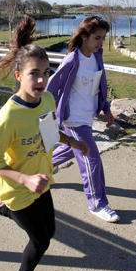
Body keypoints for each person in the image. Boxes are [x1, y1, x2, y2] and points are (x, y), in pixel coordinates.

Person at [0, 15, 90, 271]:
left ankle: (3, 210)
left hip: (41, 180)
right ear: (18, 76)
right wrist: (23, 178)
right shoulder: (8, 118)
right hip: (16, 188)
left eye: (46, 72)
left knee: (50, 229)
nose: (41, 80)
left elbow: (50, 130)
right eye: (33, 74)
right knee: (41, 240)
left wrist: (72, 142)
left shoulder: (48, 100)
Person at [46, 15, 119, 223]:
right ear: (85, 36)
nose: (100, 42)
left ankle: (38, 168)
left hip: (88, 116)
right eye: (97, 38)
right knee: (91, 157)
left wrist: (105, 108)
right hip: (74, 118)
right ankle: (97, 203)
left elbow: (99, 83)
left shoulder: (96, 57)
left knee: (71, 148)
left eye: (103, 38)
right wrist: (41, 112)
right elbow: (51, 87)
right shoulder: (72, 59)